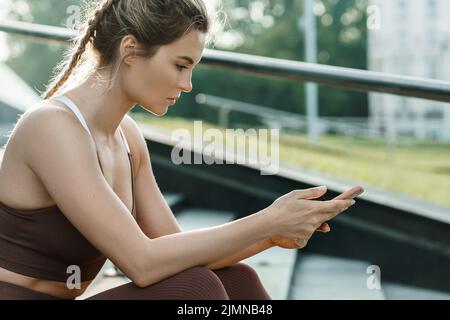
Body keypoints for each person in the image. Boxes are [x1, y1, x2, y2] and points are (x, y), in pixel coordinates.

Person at [0, 0, 355, 300]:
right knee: (194, 289)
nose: (186, 85)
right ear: (130, 50)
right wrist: (267, 219)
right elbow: (142, 263)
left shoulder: (127, 137)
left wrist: (272, 235)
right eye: (180, 65)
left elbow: (175, 249)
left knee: (239, 281)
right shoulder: (51, 126)